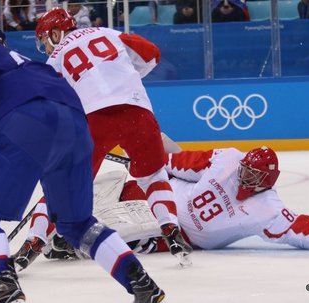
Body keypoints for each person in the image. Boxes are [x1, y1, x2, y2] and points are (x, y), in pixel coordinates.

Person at [0, 21, 165, 303]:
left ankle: (3, 284)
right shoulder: (30, 65)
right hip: (75, 126)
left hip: (26, 120)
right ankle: (140, 281)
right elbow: (10, 152)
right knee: (78, 224)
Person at [12, 145, 309, 266]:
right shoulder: (228, 159)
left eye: (253, 177)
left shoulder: (267, 209)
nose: (243, 178)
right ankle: (51, 221)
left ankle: (64, 243)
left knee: (120, 222)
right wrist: (148, 160)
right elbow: (179, 164)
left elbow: (302, 229)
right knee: (103, 180)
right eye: (245, 171)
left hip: (169, 228)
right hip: (154, 195)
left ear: (267, 182)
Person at [34, 8, 192, 266]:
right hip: (137, 110)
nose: (46, 48)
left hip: (93, 121)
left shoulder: (57, 58)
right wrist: (120, 74)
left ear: (55, 32)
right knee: (153, 176)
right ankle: (172, 232)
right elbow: (152, 53)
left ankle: (35, 241)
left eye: (44, 40)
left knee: (64, 185)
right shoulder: (109, 33)